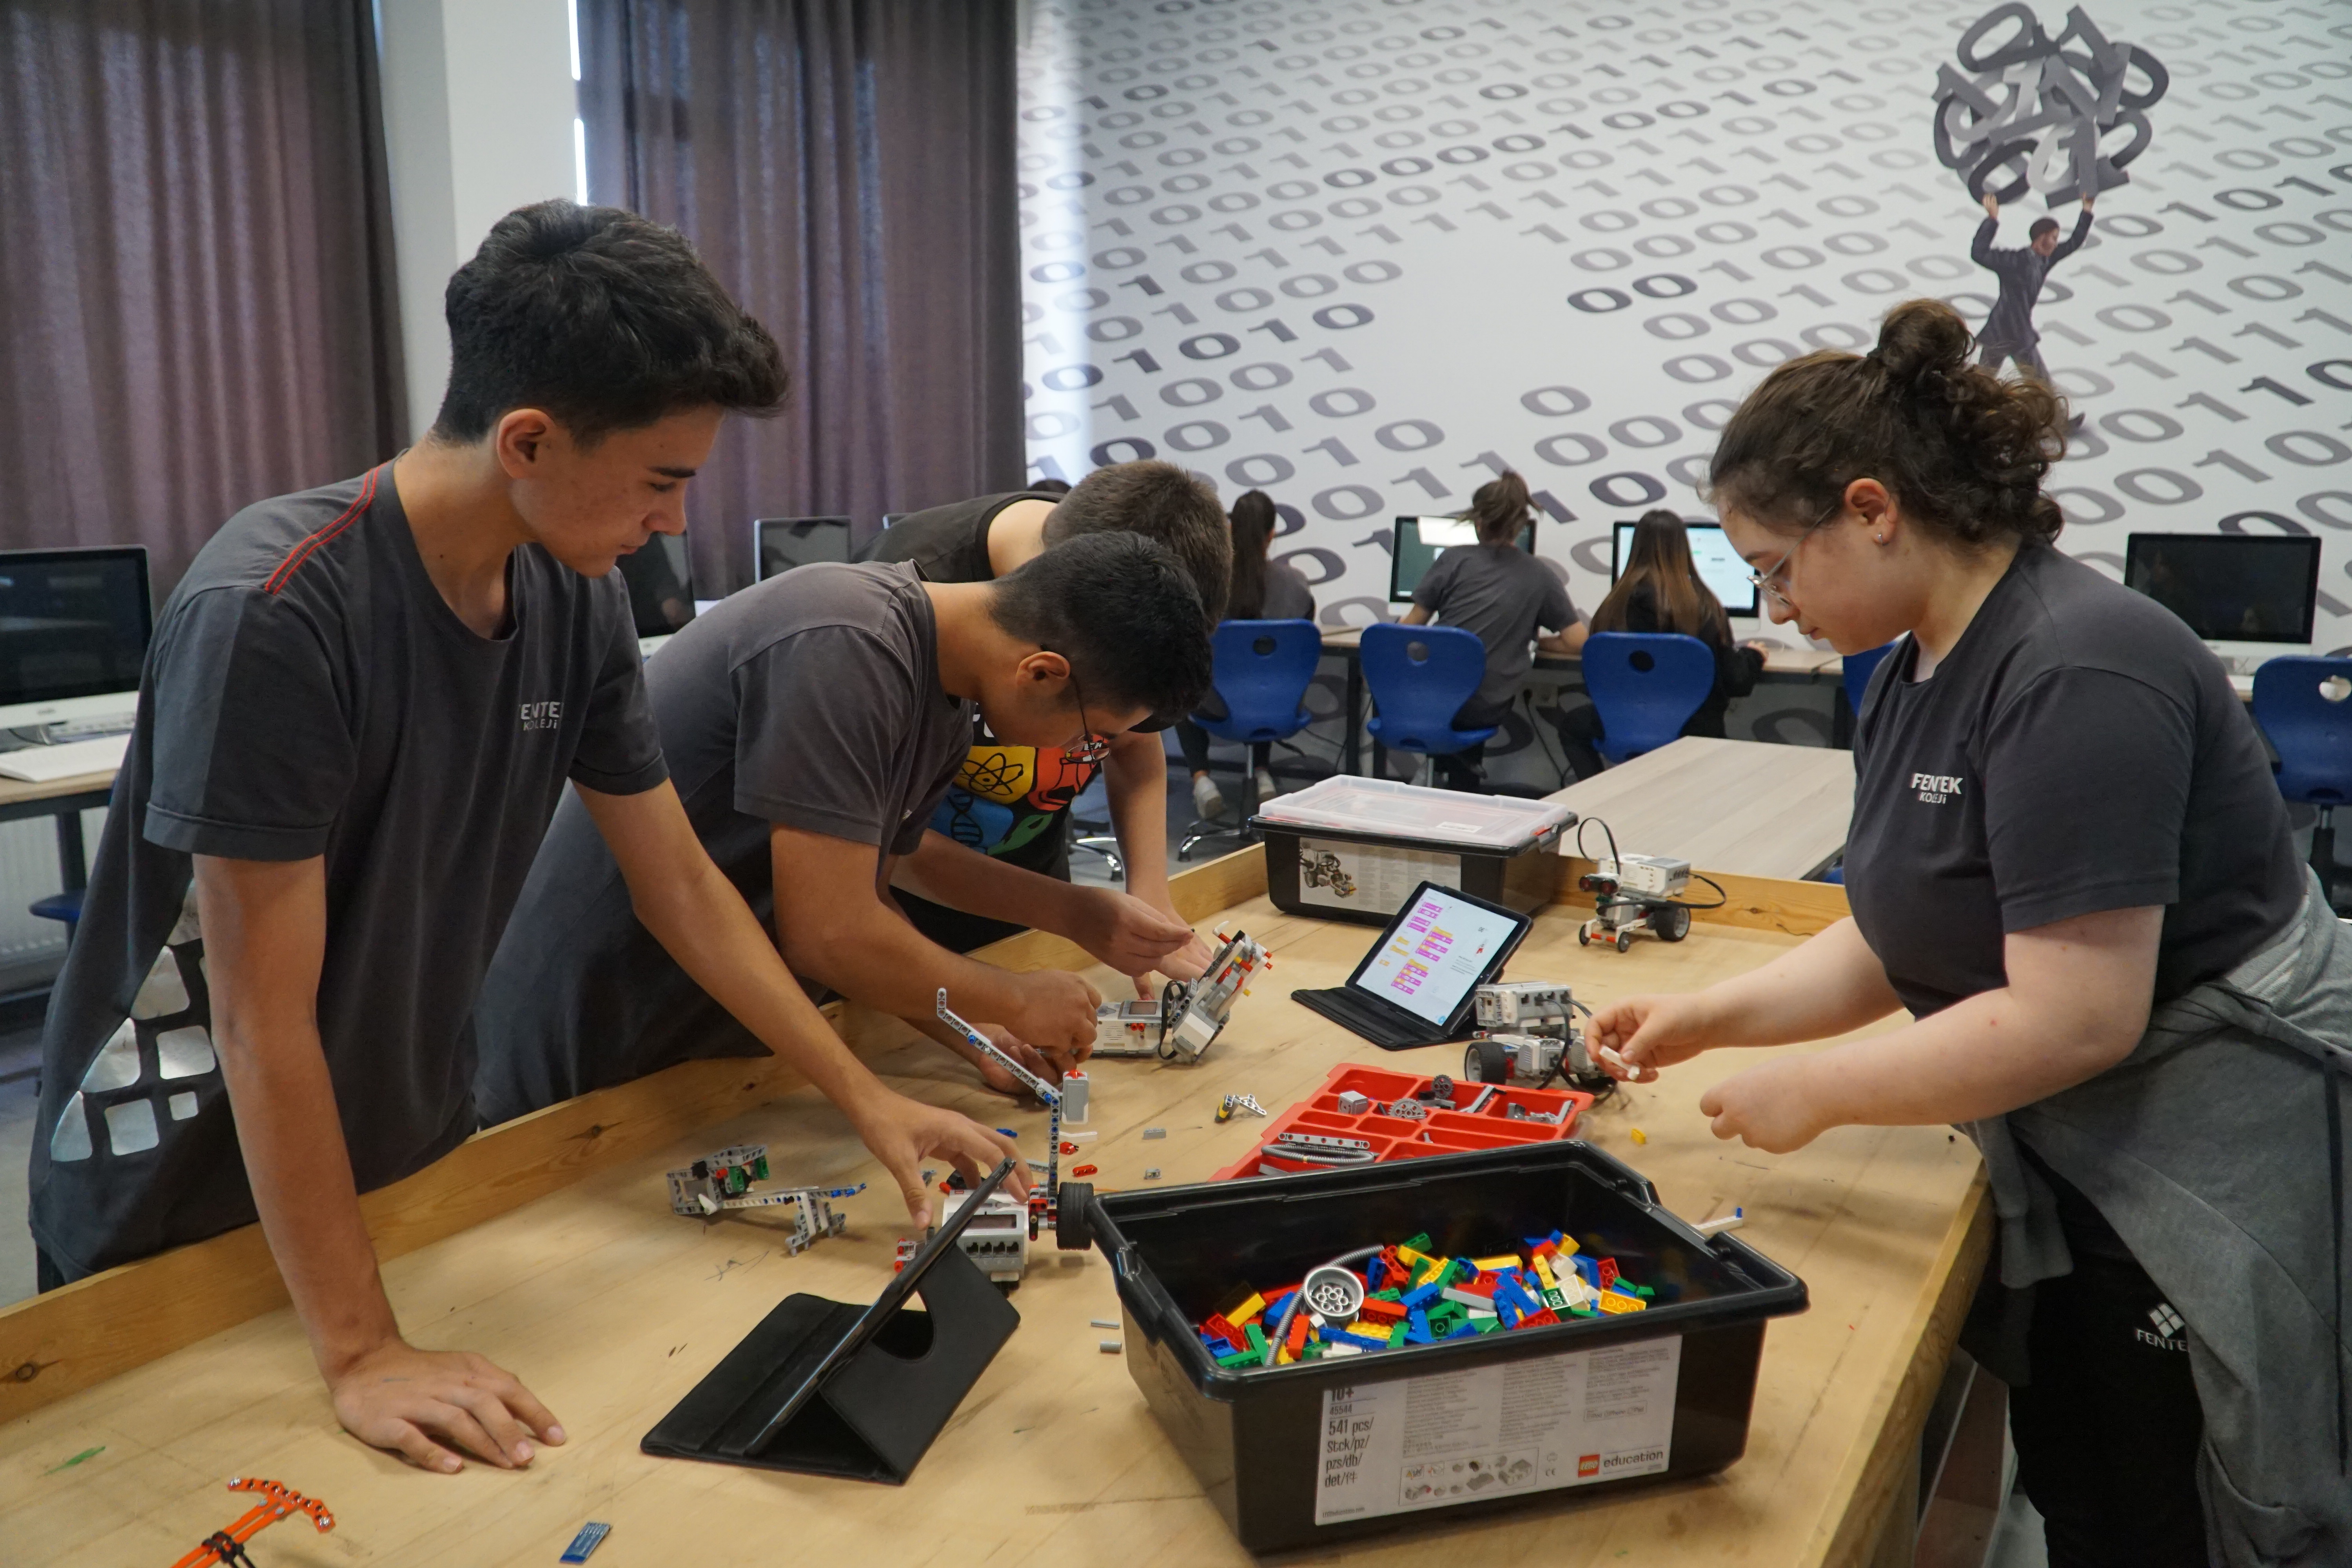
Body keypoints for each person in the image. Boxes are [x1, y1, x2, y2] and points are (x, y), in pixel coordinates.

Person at [24, 201, 1019, 1477]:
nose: (675, 523)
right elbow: (258, 1023)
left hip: (394, 1161)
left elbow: (684, 887)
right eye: (662, 482)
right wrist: (362, 1349)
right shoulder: (273, 609)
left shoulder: (573, 595)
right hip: (179, 1186)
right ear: (529, 440)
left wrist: (865, 1095)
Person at [1590, 298, 2351, 1566]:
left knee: (2171, 1505)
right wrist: (1708, 1019)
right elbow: (1906, 928)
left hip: (2188, 1158)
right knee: (2086, 1475)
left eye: (1777, 568)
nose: (1775, 606)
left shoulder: (2075, 669)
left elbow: (2074, 1015)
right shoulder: (1915, 665)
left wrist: (1817, 1090)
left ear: (1873, 509)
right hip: (2080, 1133)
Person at [473, 535, 1214, 1121]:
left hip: (700, 1042)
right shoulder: (843, 643)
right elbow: (830, 934)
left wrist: (978, 1034)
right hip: (592, 1032)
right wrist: (1012, 998)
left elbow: (871, 894)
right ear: (1042, 673)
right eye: (1093, 734)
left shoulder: (944, 695)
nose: (1084, 755)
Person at [858, 462, 1227, 969]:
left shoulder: (1126, 603)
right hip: (895, 912)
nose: (1086, 747)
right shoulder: (894, 612)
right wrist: (1072, 914)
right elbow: (871, 849)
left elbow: (1135, 746)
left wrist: (1150, 900)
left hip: (1036, 894)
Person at [1398, 471, 1586, 789]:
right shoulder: (1540, 574)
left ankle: (1435, 779)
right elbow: (1578, 641)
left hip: (1429, 697)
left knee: (1446, 694)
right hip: (1484, 708)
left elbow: (1409, 629)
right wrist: (1534, 642)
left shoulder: (1453, 560)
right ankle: (1453, 782)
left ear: (1477, 521)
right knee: (1474, 697)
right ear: (1520, 524)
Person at [1554, 508, 1768, 779]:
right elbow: (1735, 681)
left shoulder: (1612, 607)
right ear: (1683, 550)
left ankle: (1595, 794)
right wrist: (1753, 656)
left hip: (1623, 725)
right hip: (1695, 732)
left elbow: (1594, 682)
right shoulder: (1704, 606)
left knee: (1573, 727)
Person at [1176, 489, 1317, 822]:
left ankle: (1202, 781)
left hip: (1219, 707)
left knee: (1181, 684)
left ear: (1230, 529)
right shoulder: (1297, 585)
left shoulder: (1206, 583)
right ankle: (1263, 774)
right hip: (1280, 706)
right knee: (1265, 681)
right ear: (1272, 534)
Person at [1972, 190, 2093, 383]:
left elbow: (2073, 242)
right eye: (2053, 238)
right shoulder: (2013, 261)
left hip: (2020, 333)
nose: (2055, 244)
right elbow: (1979, 253)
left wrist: (2086, 210)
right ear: (2041, 237)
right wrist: (1992, 220)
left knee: (2040, 384)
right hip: (2002, 331)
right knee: (1982, 383)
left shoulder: (2046, 261)